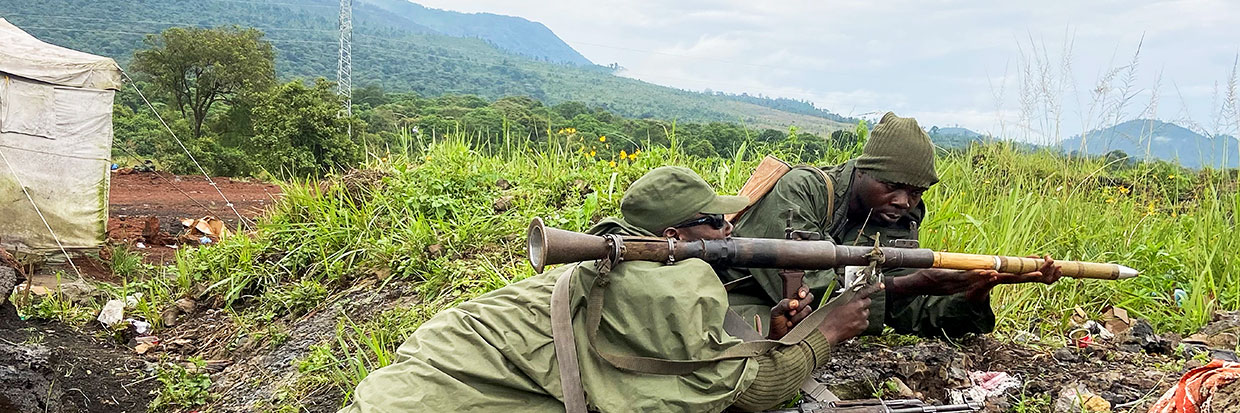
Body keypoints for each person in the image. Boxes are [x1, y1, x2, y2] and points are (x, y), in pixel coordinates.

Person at [339, 166, 881, 412]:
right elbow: (754, 392)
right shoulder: (662, 288)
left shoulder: (612, 259)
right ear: (672, 236)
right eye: (716, 222)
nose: (731, 231)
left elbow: (691, 347)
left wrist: (768, 333)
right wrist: (829, 329)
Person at [722, 112, 1063, 337]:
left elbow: (908, 312)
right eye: (891, 187)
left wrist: (973, 291)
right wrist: (908, 284)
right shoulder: (805, 190)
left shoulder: (899, 218)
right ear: (863, 170)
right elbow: (808, 293)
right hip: (733, 301)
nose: (903, 202)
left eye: (915, 192)